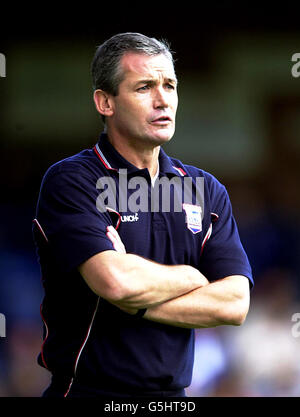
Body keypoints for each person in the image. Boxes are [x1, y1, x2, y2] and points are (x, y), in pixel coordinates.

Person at [32, 32, 253, 398]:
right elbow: (116, 283)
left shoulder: (205, 188)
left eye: (170, 85)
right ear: (105, 102)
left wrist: (135, 304)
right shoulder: (72, 180)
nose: (162, 99)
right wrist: (192, 276)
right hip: (88, 392)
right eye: (144, 87)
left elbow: (234, 303)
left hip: (173, 399)